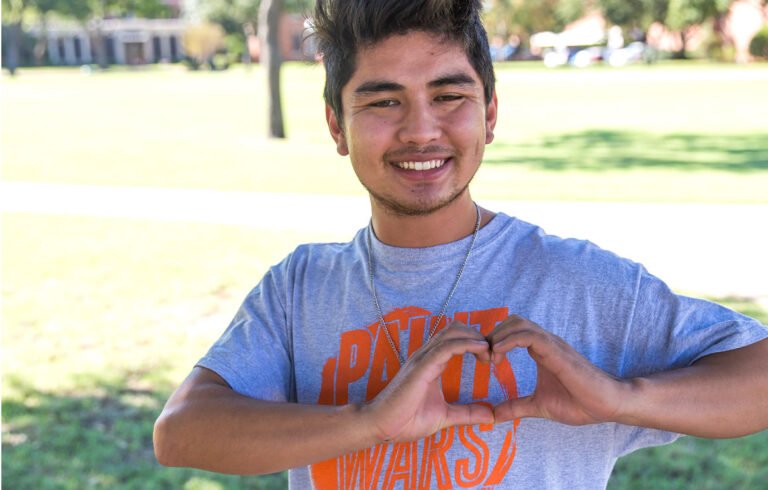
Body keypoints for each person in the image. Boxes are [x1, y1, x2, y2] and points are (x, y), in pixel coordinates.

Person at [153, 1, 768, 488]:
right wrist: (367, 423)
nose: (421, 130)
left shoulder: (576, 282)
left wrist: (622, 397)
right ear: (336, 125)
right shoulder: (301, 287)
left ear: (490, 113)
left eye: (449, 97)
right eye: (383, 101)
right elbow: (182, 433)